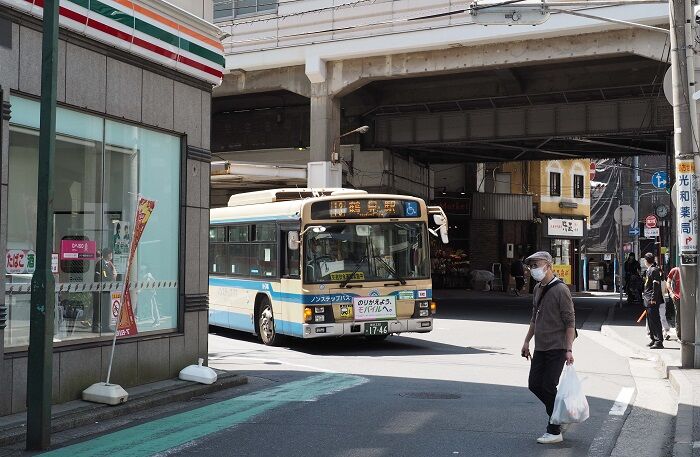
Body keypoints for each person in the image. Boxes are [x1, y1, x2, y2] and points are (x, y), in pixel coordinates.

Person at [521, 251, 576, 445]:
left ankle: (554, 430)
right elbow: (534, 318)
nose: (533, 269)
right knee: (534, 384)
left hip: (557, 347)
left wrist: (569, 350)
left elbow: (570, 321)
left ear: (548, 265)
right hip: (541, 346)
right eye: (531, 265)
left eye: (536, 264)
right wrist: (527, 341)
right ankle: (562, 414)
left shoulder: (561, 289)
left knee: (547, 385)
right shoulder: (537, 288)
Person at [642, 252, 664, 349]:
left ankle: (659, 341)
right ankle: (653, 339)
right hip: (648, 299)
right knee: (650, 321)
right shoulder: (649, 270)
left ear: (646, 261)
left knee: (655, 320)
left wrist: (654, 298)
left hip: (652, 299)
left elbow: (656, 285)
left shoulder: (654, 270)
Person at [667, 266, 681, 340]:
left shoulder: (692, 269)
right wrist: (671, 293)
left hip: (689, 297)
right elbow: (668, 282)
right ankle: (679, 335)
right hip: (677, 296)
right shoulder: (675, 270)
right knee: (678, 315)